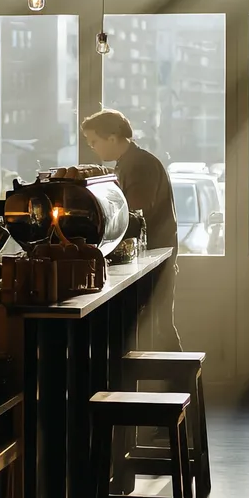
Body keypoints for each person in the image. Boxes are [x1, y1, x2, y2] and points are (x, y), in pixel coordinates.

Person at [81, 109, 180, 352]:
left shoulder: (139, 165)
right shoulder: (128, 163)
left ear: (112, 138)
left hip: (153, 260)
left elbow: (134, 214)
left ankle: (176, 384)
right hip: (151, 258)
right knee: (153, 327)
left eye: (94, 141)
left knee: (155, 328)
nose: (93, 147)